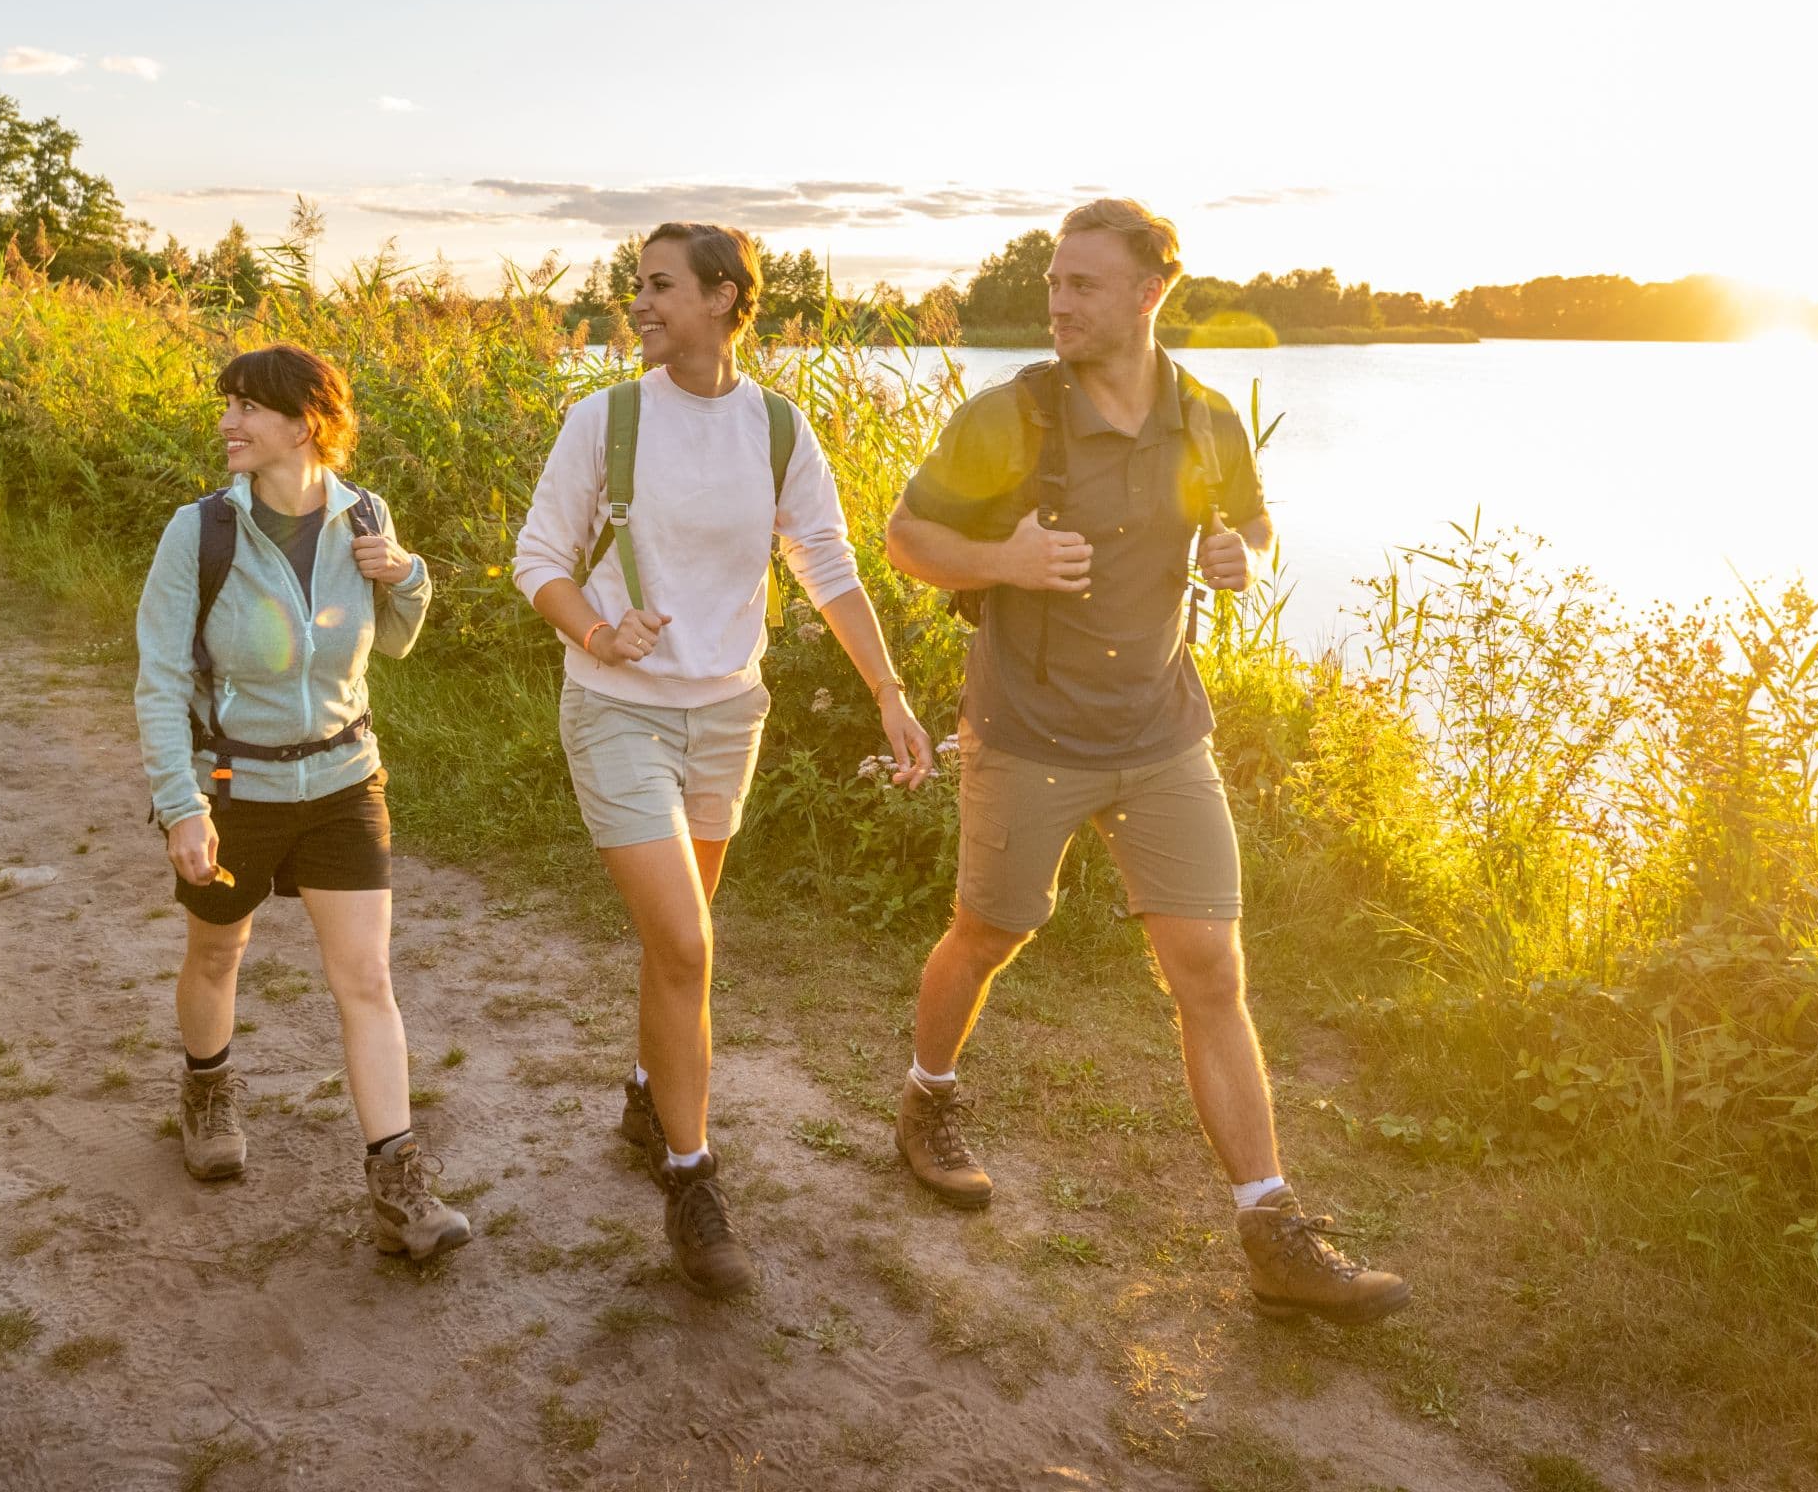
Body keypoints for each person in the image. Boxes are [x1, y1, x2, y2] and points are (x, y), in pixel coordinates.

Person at [881, 197, 1409, 1325]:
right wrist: (1008, 559)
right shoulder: (1009, 416)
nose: (1058, 302)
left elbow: (1258, 531)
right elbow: (907, 538)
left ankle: (1272, 1227)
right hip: (1028, 732)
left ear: (1147, 293)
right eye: (1055, 283)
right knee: (989, 933)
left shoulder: (1209, 419)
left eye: (1081, 284)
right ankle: (928, 1100)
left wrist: (1240, 556)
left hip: (1164, 732)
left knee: (1210, 972)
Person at [513, 222, 934, 1298]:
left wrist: (889, 691)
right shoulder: (602, 419)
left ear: (723, 297)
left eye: (658, 286)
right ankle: (693, 1181)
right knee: (690, 946)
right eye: (636, 285)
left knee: (679, 941)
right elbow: (539, 562)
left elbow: (827, 563)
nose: (638, 303)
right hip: (617, 709)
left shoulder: (779, 428)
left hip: (728, 713)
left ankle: (647, 1092)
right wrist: (596, 632)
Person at [133, 344, 468, 1261]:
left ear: (305, 423)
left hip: (343, 780)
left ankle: (397, 1185)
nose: (227, 422)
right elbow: (159, 681)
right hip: (234, 787)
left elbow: (395, 642)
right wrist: (180, 805)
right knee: (216, 951)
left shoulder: (364, 514)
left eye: (247, 407)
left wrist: (406, 574)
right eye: (227, 404)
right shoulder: (197, 531)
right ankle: (207, 1084)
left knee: (366, 980)